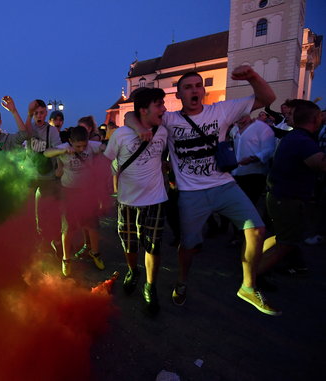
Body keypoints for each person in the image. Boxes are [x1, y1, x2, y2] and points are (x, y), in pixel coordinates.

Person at [126, 65, 280, 316]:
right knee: (189, 246)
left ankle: (248, 286)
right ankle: (182, 281)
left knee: (257, 229)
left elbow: (267, 98)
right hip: (191, 193)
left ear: (204, 91)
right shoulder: (171, 119)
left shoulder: (221, 110)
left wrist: (252, 76)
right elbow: (131, 115)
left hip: (224, 185)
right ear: (178, 95)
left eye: (198, 85)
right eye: (188, 87)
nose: (194, 90)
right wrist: (140, 129)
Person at [105, 87, 169, 315]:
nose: (164, 108)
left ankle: (150, 287)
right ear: (144, 110)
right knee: (129, 243)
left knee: (153, 245)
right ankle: (133, 270)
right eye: (159, 104)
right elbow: (106, 161)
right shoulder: (121, 135)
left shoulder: (164, 130)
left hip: (155, 199)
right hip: (127, 201)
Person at [259, 101, 326, 275]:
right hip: (288, 199)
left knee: (283, 240)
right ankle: (252, 279)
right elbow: (321, 165)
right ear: (315, 119)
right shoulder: (302, 140)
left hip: (281, 196)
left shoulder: (295, 137)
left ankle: (259, 265)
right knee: (285, 245)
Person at [44, 126, 106, 277]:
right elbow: (47, 153)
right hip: (69, 192)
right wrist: (63, 151)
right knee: (68, 227)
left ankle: (95, 253)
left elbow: (106, 147)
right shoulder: (65, 147)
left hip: (87, 191)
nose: (82, 148)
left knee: (92, 225)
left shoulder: (91, 146)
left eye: (84, 145)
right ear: (71, 142)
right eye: (78, 146)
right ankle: (66, 259)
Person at [26, 99, 62, 242]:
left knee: (45, 209)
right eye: (36, 113)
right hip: (31, 173)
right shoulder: (31, 128)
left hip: (47, 175)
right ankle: (34, 237)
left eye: (41, 113)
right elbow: (24, 131)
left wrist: (60, 166)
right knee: (29, 209)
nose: (39, 116)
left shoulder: (51, 130)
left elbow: (58, 149)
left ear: (46, 113)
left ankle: (48, 237)